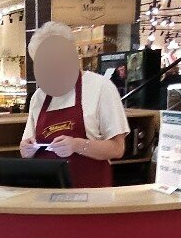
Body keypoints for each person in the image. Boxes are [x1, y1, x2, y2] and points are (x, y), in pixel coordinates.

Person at [20, 21, 129, 188]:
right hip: (46, 195)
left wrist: (77, 145)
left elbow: (117, 148)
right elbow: (26, 146)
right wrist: (26, 149)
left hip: (91, 195)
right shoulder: (39, 97)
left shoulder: (101, 87)